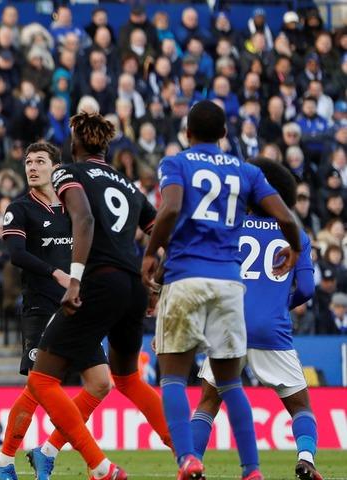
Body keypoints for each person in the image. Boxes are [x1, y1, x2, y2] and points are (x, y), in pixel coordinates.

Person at [142, 100, 302, 480]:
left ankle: (188, 460)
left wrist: (151, 254)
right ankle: (251, 470)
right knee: (231, 383)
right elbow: (283, 214)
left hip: (185, 278)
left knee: (174, 378)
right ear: (225, 134)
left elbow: (169, 208)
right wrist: (294, 247)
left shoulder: (176, 163)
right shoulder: (245, 171)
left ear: (187, 133)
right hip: (230, 282)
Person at [30, 111, 173, 480]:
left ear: (74, 143)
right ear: (105, 145)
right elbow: (160, 232)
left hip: (100, 282)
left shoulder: (68, 172)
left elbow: (85, 220)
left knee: (42, 380)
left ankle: (101, 466)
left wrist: (75, 280)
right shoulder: (129, 185)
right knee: (127, 379)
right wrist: (157, 281)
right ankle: (187, 452)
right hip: (133, 288)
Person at [189, 159, 323, 480]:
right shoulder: (297, 235)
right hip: (271, 330)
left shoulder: (229, 227)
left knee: (208, 402)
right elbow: (306, 287)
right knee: (300, 406)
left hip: (228, 326)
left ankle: (192, 464)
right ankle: (305, 458)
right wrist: (279, 304)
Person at [0, 141, 110, 480]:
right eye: (28, 162)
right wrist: (55, 273)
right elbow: (16, 254)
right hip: (41, 308)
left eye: (40, 162)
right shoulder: (20, 208)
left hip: (77, 309)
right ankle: (3, 461)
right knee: (39, 387)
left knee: (101, 383)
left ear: (56, 168)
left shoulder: (75, 207)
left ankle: (48, 450)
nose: (32, 167)